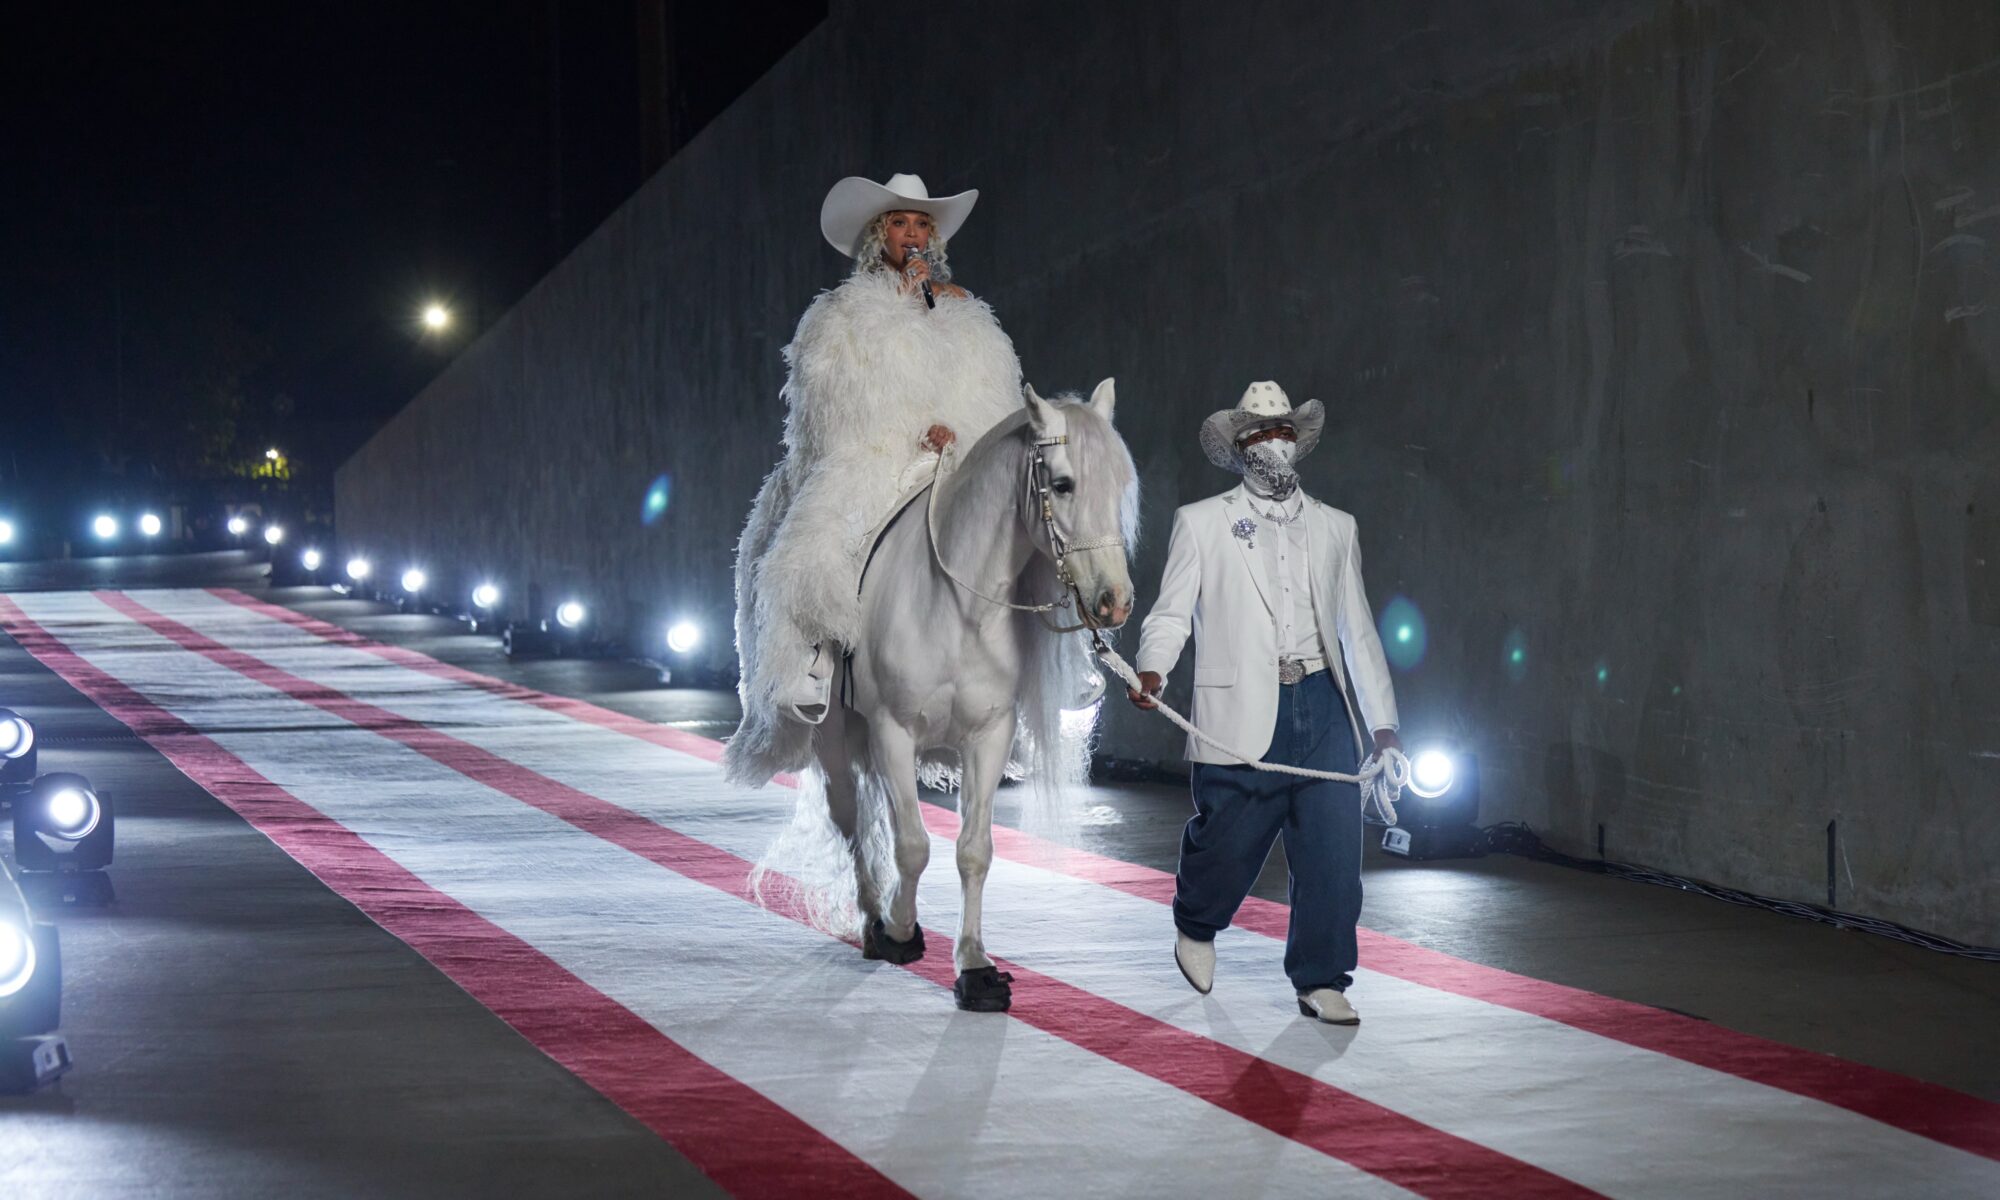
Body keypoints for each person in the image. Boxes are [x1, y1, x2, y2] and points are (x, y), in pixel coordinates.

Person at [725, 173, 1025, 786]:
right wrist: (911, 424)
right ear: (876, 234)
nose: (912, 233)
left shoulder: (965, 310)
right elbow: (831, 395)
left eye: (921, 223)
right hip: (874, 448)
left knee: (1029, 524)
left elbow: (995, 398)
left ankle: (1040, 677)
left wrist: (958, 434)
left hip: (954, 458)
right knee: (818, 540)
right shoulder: (841, 311)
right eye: (899, 222)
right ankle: (811, 664)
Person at [1128, 382, 1402, 1024]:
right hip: (1240, 706)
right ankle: (1196, 922)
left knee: (1333, 851)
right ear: (1241, 448)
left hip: (1322, 702)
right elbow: (1171, 613)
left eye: (1282, 433)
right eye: (1259, 435)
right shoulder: (1202, 522)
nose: (1272, 444)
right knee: (1229, 840)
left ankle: (1322, 975)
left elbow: (1357, 629)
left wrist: (1384, 726)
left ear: (1296, 445)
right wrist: (1152, 669)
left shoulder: (1338, 527)